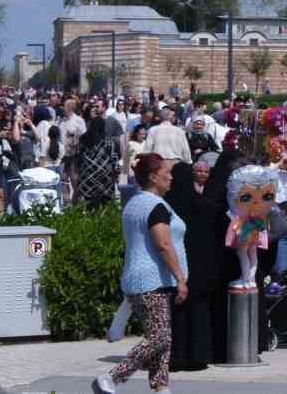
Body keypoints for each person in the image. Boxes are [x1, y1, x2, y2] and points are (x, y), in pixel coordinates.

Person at [94, 153, 187, 394]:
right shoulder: (155, 206)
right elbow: (163, 245)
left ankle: (160, 387)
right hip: (152, 280)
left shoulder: (133, 202)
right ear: (153, 176)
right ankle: (111, 377)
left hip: (140, 278)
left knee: (162, 338)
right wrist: (179, 277)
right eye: (167, 172)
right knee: (159, 337)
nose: (171, 176)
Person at [166, 158, 224, 372]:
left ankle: (175, 356)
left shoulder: (167, 203)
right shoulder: (202, 204)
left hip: (176, 266)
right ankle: (198, 356)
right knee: (198, 311)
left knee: (176, 313)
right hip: (200, 267)